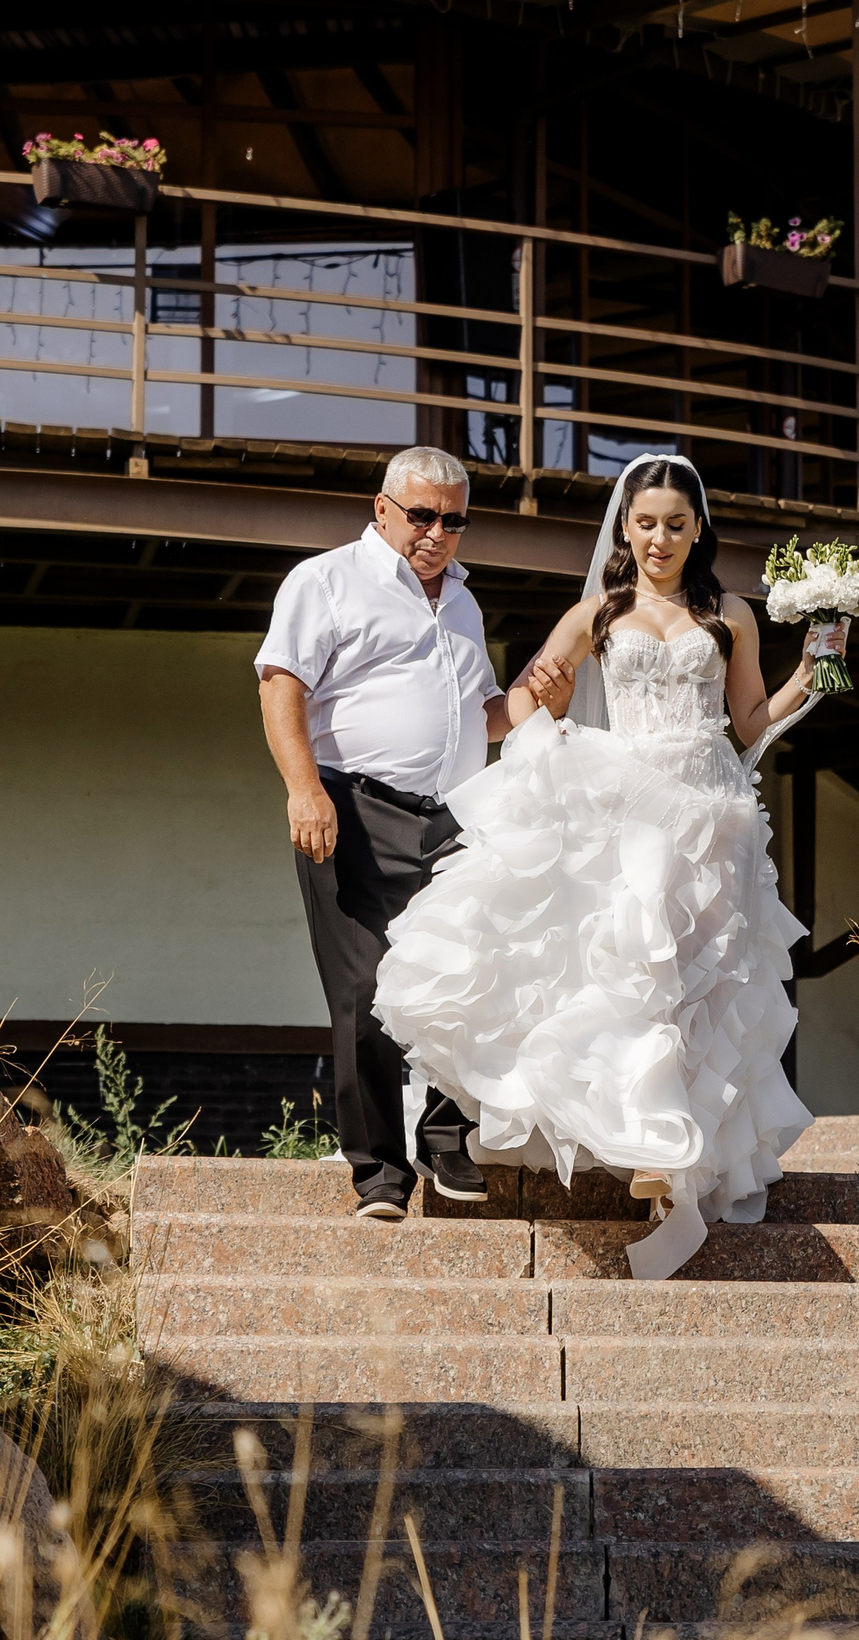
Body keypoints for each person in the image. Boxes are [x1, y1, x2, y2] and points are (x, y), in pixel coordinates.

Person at [372, 454, 840, 1280]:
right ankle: (649, 1144)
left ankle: (681, 1162)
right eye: (647, 523)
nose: (660, 539)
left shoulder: (731, 613)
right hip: (627, 807)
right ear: (625, 528)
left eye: (677, 524)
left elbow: (751, 719)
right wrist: (548, 701)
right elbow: (516, 709)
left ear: (698, 530)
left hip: (712, 815)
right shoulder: (596, 612)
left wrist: (818, 662)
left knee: (705, 989)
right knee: (639, 977)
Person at [256, 445, 569, 1221]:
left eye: (454, 520)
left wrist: (541, 698)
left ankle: (447, 1141)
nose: (436, 533)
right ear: (382, 509)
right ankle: (379, 1176)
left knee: (471, 977)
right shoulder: (325, 581)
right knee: (364, 993)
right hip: (351, 809)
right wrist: (303, 790)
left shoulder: (463, 601)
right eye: (422, 515)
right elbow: (280, 685)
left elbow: (486, 717)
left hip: (454, 816)